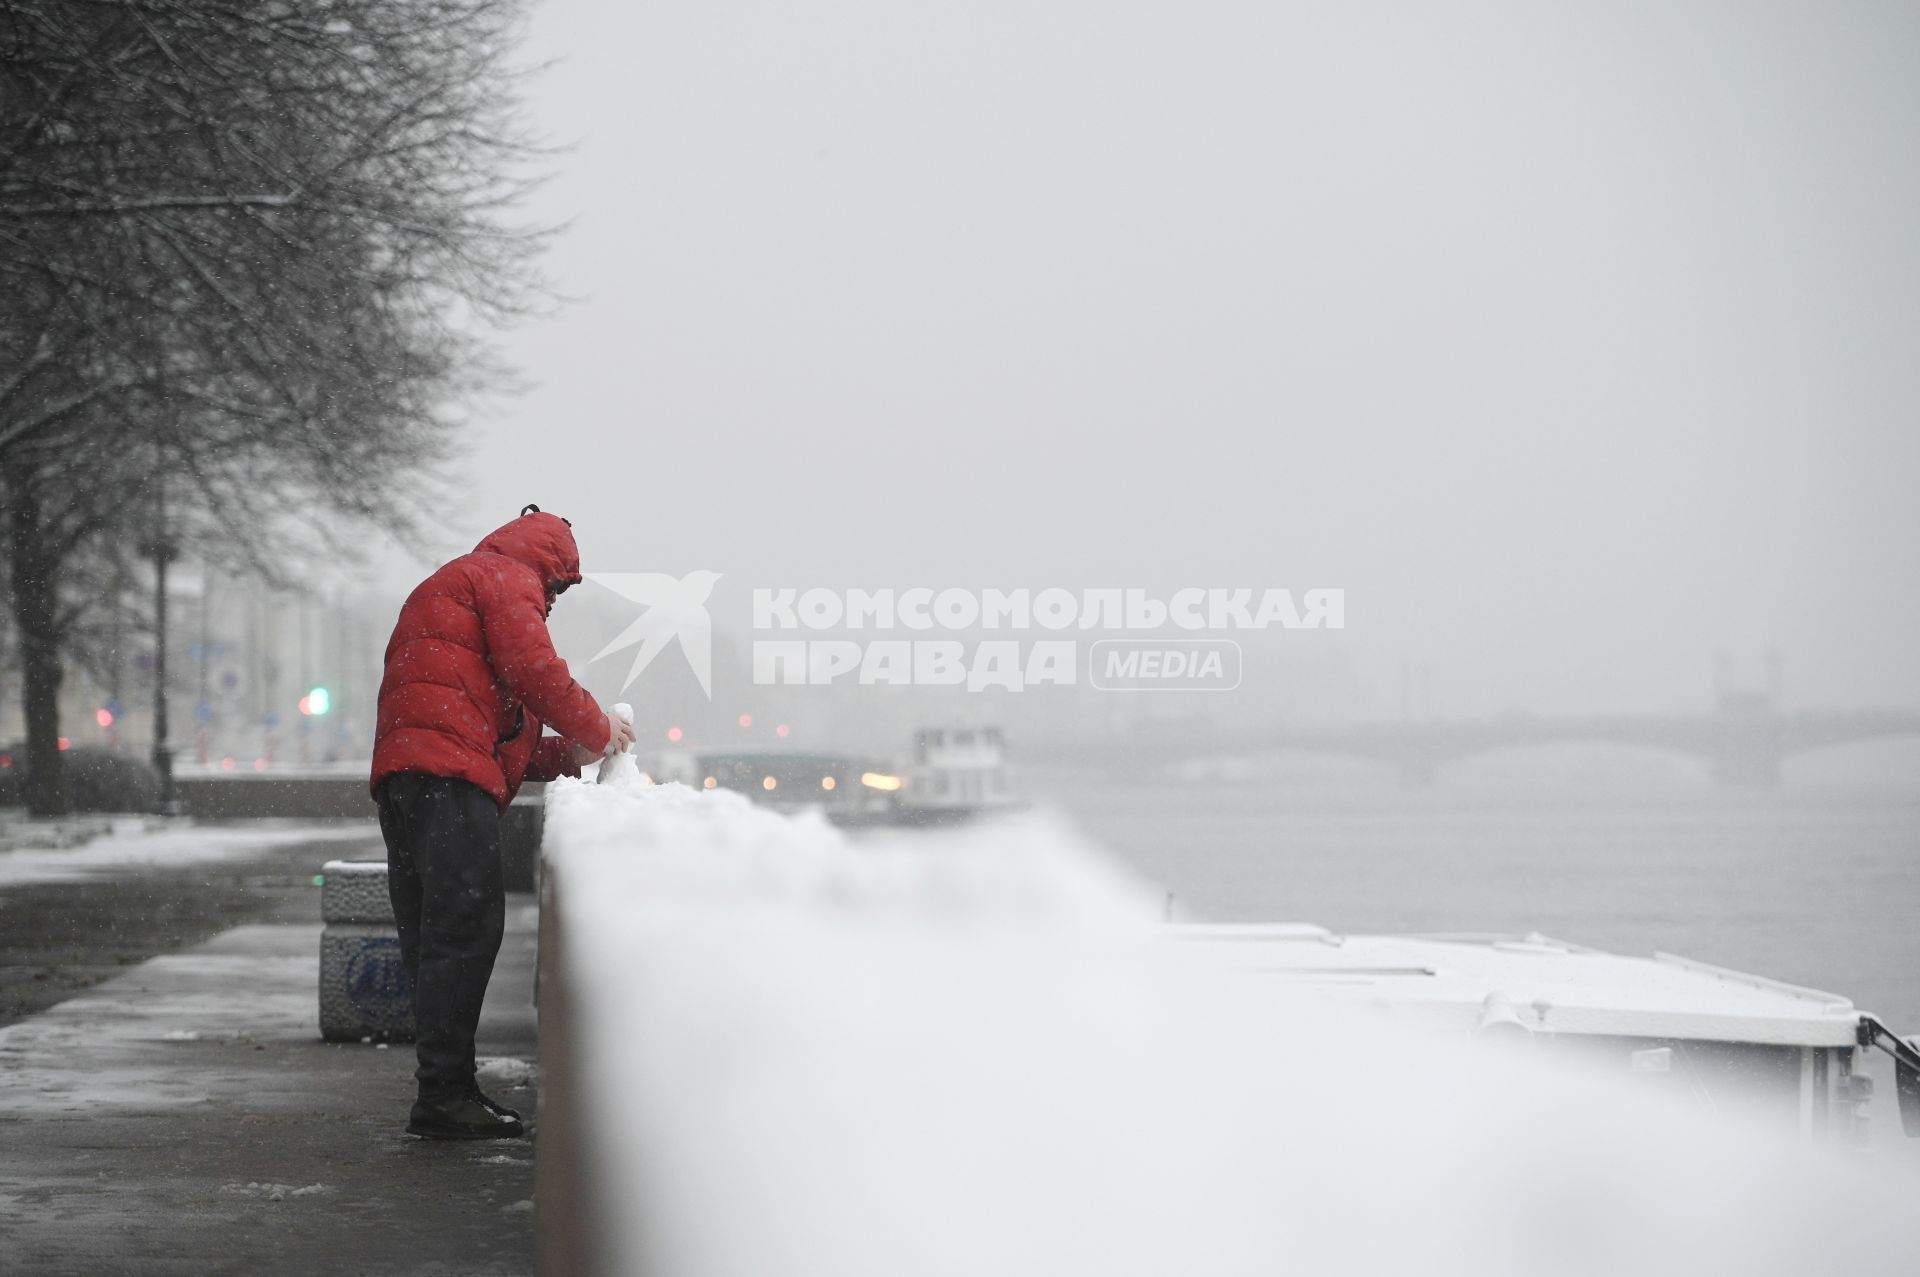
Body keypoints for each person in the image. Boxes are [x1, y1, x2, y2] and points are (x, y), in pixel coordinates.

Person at [370, 504, 638, 1139]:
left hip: (406, 778)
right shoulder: (505, 579)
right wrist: (600, 728)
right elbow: (534, 671)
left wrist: (567, 756)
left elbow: (493, 732)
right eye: (558, 587)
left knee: (432, 937)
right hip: (448, 783)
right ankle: (444, 1099)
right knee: (464, 930)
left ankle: (443, 1090)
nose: (552, 601)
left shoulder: (456, 581)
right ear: (550, 567)